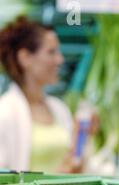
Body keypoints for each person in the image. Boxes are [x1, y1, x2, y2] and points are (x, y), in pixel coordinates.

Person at [0, 16, 77, 173]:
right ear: (25, 58)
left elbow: (74, 164)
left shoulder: (59, 108)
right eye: (51, 52)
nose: (60, 60)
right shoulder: (5, 112)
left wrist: (82, 136)